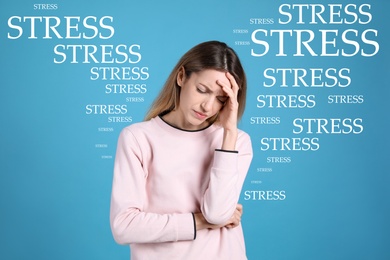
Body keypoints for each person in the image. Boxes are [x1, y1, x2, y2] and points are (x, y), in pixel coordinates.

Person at [110, 40, 253, 259]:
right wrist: (199, 221)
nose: (208, 106)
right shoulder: (138, 138)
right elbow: (124, 227)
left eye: (221, 99)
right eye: (202, 90)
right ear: (181, 77)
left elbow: (216, 213)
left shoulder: (236, 142)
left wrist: (230, 133)